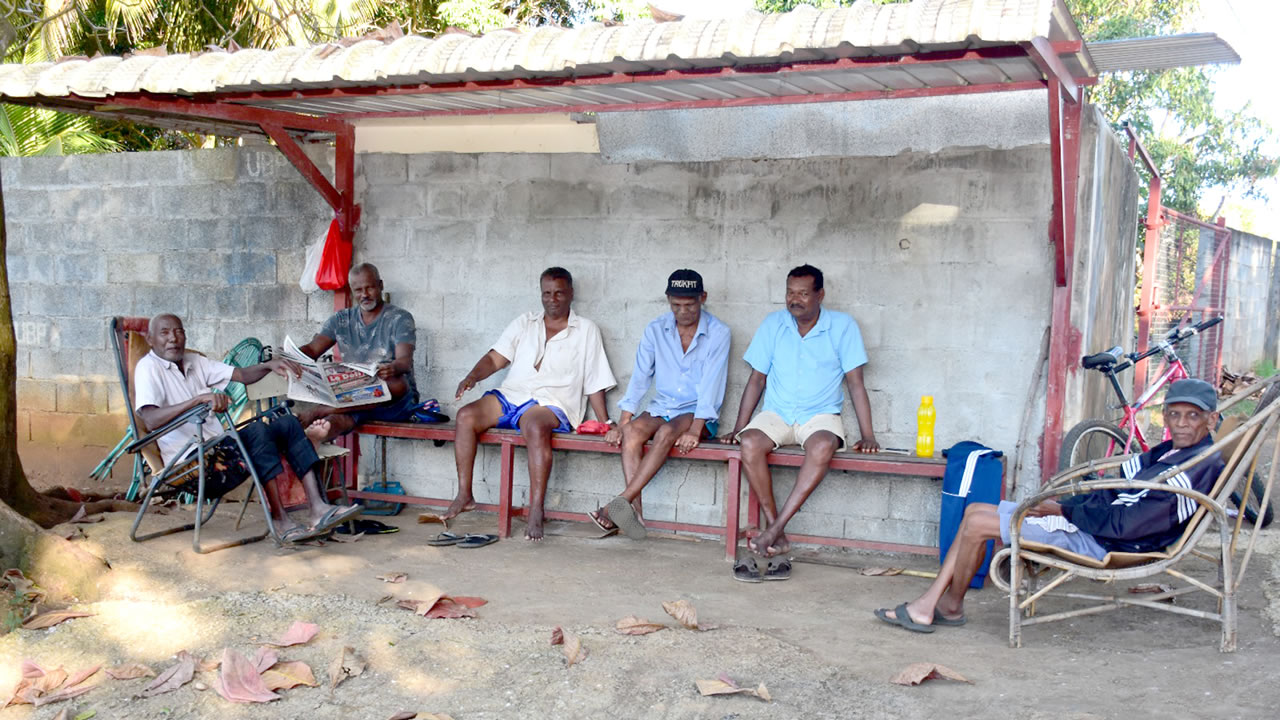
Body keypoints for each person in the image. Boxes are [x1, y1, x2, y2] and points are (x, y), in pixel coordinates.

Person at [874, 378, 1226, 633]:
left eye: (1193, 416)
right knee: (975, 510)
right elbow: (1113, 491)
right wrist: (1066, 504)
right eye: (1174, 414)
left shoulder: (1193, 468)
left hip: (1109, 542)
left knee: (979, 523)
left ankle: (939, 605)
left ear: (1211, 419)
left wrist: (1064, 511)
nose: (1182, 424)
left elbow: (1129, 524)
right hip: (1095, 526)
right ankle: (944, 604)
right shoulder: (1170, 452)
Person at [133, 314, 362, 544]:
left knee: (288, 422)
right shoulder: (148, 368)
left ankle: (318, 508)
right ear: (150, 339)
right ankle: (279, 519)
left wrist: (269, 365)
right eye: (164, 333)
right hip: (194, 462)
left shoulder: (195, 361)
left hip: (220, 448)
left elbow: (241, 375)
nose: (173, 338)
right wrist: (197, 401)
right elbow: (150, 420)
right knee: (257, 432)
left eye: (178, 331)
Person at [723, 264, 879, 577]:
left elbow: (856, 383)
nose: (795, 300)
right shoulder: (773, 324)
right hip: (778, 412)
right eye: (790, 293)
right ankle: (776, 533)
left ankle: (773, 530)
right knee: (749, 442)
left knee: (822, 446)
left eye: (803, 294)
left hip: (819, 414)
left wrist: (868, 434)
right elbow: (756, 380)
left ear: (820, 295)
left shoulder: (842, 326)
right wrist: (739, 428)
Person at [446, 267, 616, 541]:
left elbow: (595, 380)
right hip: (513, 395)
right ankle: (465, 494)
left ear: (571, 294)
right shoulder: (525, 322)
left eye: (559, 293)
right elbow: (495, 358)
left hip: (553, 403)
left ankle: (536, 508)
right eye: (547, 293)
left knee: (534, 425)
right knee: (466, 416)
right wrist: (472, 377)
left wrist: (605, 422)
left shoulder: (586, 330)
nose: (552, 299)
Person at [592, 269, 731, 540]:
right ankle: (634, 514)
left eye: (689, 305)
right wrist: (624, 421)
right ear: (668, 299)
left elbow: (712, 384)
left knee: (666, 432)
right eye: (676, 305)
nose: (683, 311)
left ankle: (618, 504)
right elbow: (640, 376)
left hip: (696, 412)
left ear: (702, 298)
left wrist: (695, 429)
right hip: (663, 406)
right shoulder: (656, 329)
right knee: (632, 432)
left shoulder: (719, 333)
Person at [295, 263, 418, 442]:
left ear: (381, 285)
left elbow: (404, 361)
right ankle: (315, 438)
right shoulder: (341, 319)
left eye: (370, 288)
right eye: (358, 290)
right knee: (346, 411)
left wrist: (392, 368)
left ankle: (321, 413)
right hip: (353, 399)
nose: (364, 294)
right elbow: (312, 349)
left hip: (392, 404)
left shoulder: (400, 318)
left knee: (397, 383)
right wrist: (288, 357)